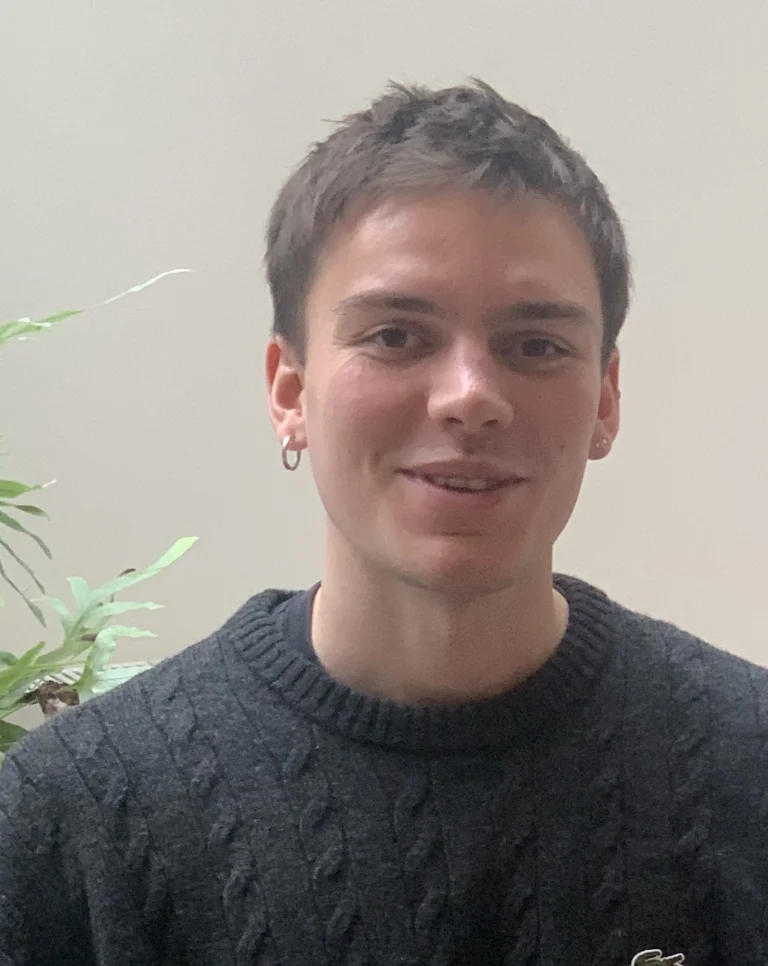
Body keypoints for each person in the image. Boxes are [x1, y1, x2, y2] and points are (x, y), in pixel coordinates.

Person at [0, 79, 766, 966]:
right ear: (289, 391)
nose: (471, 397)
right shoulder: (75, 819)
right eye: (396, 336)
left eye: (535, 345)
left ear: (605, 398)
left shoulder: (748, 766)